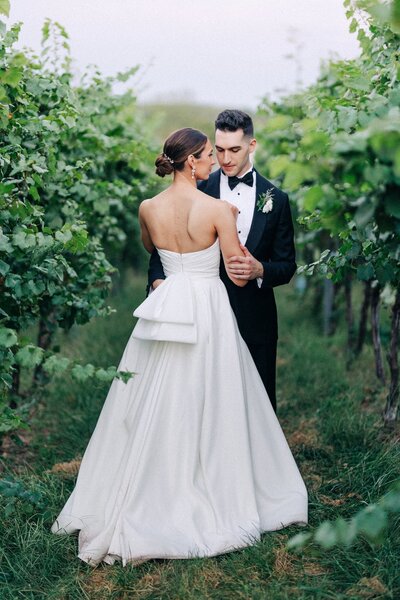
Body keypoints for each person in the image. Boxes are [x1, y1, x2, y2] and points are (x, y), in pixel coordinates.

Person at [51, 128, 307, 567]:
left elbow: (153, 248)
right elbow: (237, 269)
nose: (214, 162)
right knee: (210, 393)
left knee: (155, 393)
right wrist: (237, 243)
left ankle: (148, 479)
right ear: (192, 163)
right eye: (209, 155)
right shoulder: (217, 209)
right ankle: (209, 483)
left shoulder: (147, 207)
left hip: (166, 305)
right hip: (207, 307)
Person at [148, 110, 296, 412]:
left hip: (254, 315)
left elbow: (287, 265)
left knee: (258, 404)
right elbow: (161, 252)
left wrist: (261, 269)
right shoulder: (195, 185)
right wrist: (160, 286)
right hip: (199, 316)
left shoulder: (276, 199)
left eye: (234, 150)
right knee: (199, 401)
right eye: (219, 149)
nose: (225, 158)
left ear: (252, 145)